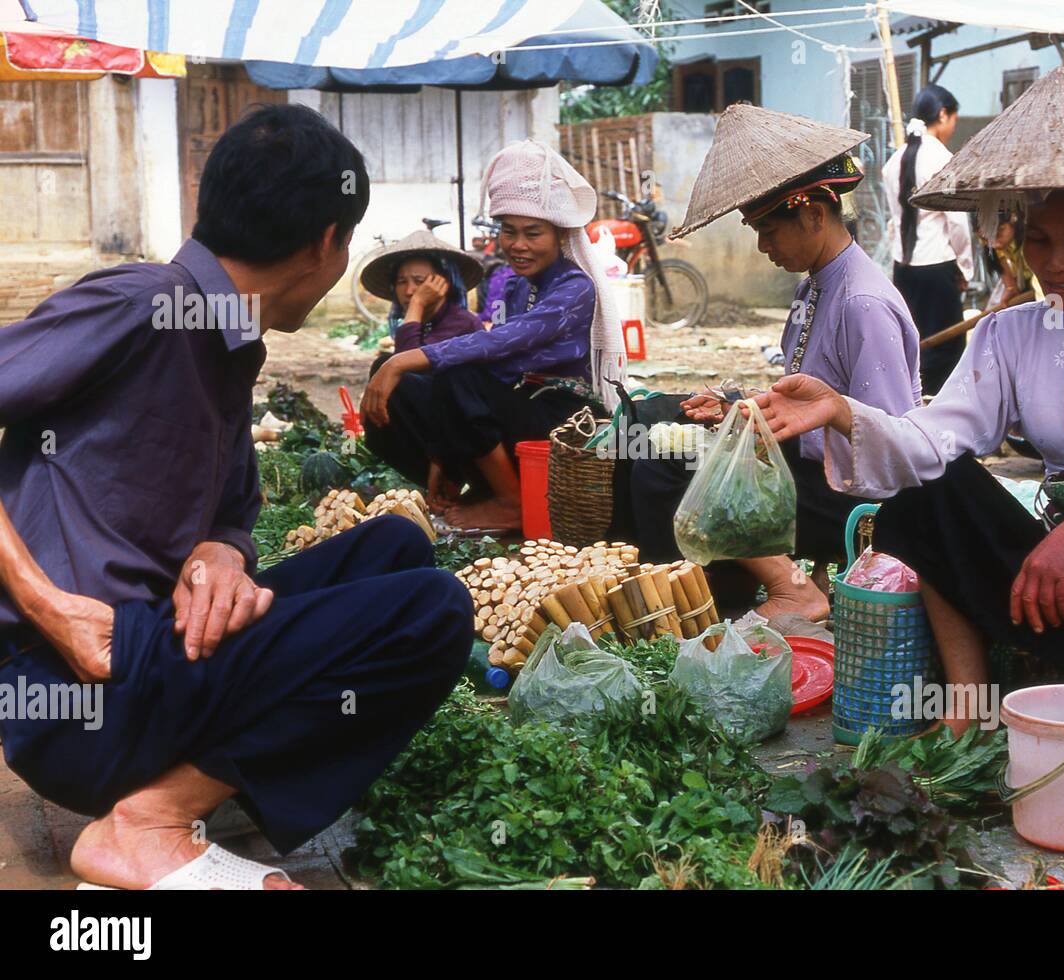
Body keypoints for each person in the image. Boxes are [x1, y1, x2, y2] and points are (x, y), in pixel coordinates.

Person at [0, 104, 474, 889]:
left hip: (156, 657)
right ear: (325, 242)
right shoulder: (143, 303)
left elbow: (226, 512)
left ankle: (183, 783)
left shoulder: (227, 344)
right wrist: (48, 607)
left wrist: (219, 554)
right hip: (76, 690)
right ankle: (148, 825)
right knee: (434, 611)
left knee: (397, 547)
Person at [755, 68, 1064, 762]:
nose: (1056, 263)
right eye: (1041, 241)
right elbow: (935, 438)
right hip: (1048, 578)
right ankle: (968, 705)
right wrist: (845, 411)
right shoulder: (1009, 331)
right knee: (927, 490)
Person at [631, 105, 921, 621]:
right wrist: (742, 407)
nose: (763, 246)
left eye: (769, 229)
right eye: (755, 230)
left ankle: (793, 589)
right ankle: (725, 583)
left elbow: (888, 444)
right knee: (662, 430)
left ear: (814, 215)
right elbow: (809, 392)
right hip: (813, 467)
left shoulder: (862, 303)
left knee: (675, 467)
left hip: (851, 501)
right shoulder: (815, 285)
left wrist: (760, 431)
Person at [362, 139, 627, 531]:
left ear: (559, 236)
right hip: (517, 406)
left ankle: (511, 502)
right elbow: (494, 369)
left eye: (533, 233)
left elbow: (503, 343)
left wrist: (404, 360)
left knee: (457, 374)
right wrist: (440, 456)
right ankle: (471, 485)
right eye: (508, 231)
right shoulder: (514, 285)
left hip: (563, 418)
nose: (518, 245)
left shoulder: (575, 288)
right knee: (398, 384)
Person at [882, 84, 975, 394]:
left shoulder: (893, 162)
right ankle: (939, 409)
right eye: (954, 120)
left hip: (903, 268)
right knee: (947, 347)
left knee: (912, 341)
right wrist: (966, 268)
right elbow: (957, 223)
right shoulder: (943, 159)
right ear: (943, 115)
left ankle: (910, 402)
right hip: (937, 267)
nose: (953, 128)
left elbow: (894, 222)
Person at [359, 228, 485, 354]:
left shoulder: (461, 324)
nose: (409, 291)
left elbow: (407, 361)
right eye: (402, 282)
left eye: (419, 281)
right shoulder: (425, 324)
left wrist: (417, 303)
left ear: (442, 284)